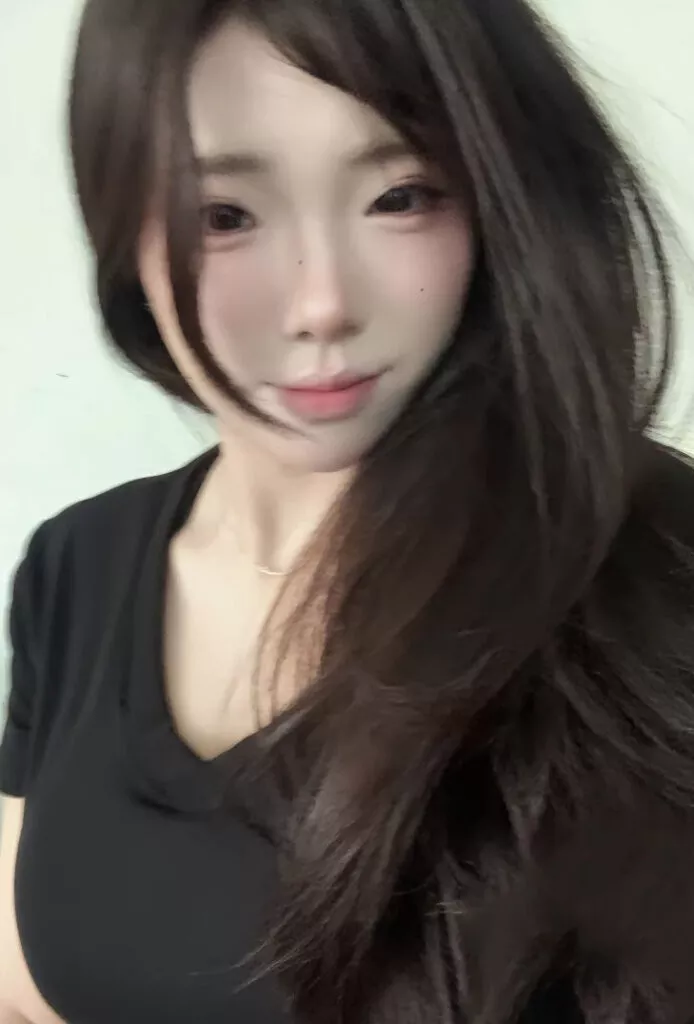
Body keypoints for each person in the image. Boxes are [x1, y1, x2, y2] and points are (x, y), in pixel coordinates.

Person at [1, 0, 694, 1021]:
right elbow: (29, 980)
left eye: (400, 196)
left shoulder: (658, 565)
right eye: (223, 215)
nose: (321, 301)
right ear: (123, 232)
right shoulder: (77, 566)